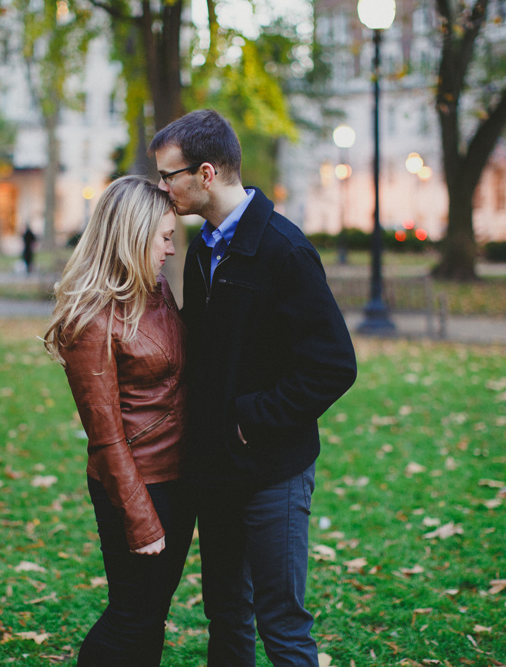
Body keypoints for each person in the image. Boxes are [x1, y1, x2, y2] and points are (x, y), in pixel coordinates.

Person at [150, 110, 357, 666]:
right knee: (225, 612)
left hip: (274, 472)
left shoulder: (284, 251)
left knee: (282, 624)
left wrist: (249, 416)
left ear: (207, 173)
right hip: (216, 472)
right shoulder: (201, 251)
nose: (162, 189)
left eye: (169, 176)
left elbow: (334, 365)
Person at [43, 175, 194, 666]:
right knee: (131, 614)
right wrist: (140, 518)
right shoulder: (90, 319)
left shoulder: (156, 290)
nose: (171, 249)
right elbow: (106, 439)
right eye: (165, 237)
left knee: (152, 614)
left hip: (178, 479)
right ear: (132, 235)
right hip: (137, 486)